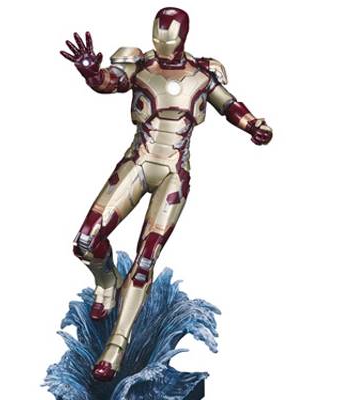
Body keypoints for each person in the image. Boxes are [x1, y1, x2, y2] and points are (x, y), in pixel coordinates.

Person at [61, 7, 272, 381]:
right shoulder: (139, 65)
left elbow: (229, 104)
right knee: (85, 242)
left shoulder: (202, 74)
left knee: (145, 262)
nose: (161, 45)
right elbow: (111, 81)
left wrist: (254, 125)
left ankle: (116, 346)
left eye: (168, 39)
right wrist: (92, 72)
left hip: (174, 173)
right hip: (137, 163)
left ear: (182, 38)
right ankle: (107, 282)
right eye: (157, 38)